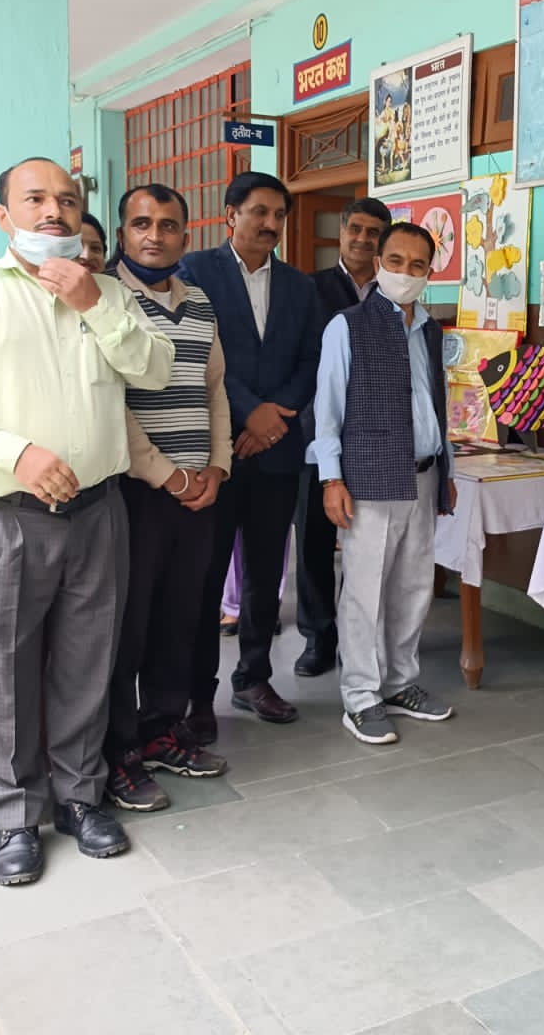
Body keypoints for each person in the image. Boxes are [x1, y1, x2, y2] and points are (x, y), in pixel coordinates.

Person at [0, 157, 174, 886]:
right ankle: (15, 818)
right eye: (35, 199)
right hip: (7, 516)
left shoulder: (107, 294)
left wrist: (94, 303)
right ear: (5, 216)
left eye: (67, 200)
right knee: (3, 671)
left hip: (99, 512)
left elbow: (154, 369)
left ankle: (80, 798)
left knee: (89, 663)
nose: (54, 211)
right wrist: (13, 453)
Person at [180, 171, 322, 739]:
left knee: (266, 574)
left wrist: (273, 420)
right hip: (215, 449)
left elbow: (311, 360)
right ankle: (197, 694)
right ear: (230, 214)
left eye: (279, 215)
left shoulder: (299, 286)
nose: (270, 224)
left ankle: (254, 678)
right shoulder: (195, 272)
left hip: (277, 453)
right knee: (205, 576)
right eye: (259, 212)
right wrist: (249, 413)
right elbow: (195, 350)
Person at [104, 184, 231, 812]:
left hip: (198, 491)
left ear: (186, 234)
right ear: (123, 233)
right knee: (127, 626)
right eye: (142, 223)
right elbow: (112, 403)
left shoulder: (199, 301)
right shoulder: (103, 298)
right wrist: (168, 476)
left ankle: (161, 732)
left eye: (168, 225)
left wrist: (217, 467)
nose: (155, 235)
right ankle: (119, 752)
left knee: (180, 617)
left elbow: (216, 390)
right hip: (137, 493)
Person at [311, 220, 456, 745]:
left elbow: (436, 405)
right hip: (369, 479)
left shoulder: (432, 331)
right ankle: (361, 696)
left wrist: (447, 470)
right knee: (364, 592)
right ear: (378, 264)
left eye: (418, 265)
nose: (405, 273)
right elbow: (327, 411)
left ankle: (399, 683)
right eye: (396, 262)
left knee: (413, 587)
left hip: (424, 475)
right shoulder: (346, 326)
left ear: (430, 272)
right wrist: (331, 478)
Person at [294, 196, 390, 678]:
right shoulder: (309, 289)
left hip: (376, 441)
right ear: (342, 232)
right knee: (313, 540)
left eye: (374, 233)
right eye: (356, 229)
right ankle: (318, 636)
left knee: (366, 544)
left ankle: (360, 636)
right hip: (318, 435)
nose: (363, 239)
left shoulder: (393, 295)